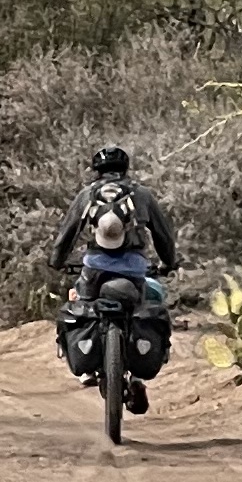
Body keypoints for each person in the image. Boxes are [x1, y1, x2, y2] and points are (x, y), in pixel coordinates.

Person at [51, 142, 176, 412]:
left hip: (94, 268)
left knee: (83, 307)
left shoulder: (87, 194)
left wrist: (57, 262)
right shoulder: (141, 194)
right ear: (125, 168)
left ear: (96, 170)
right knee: (142, 310)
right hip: (134, 269)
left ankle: (86, 368)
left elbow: (69, 232)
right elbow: (162, 234)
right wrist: (169, 262)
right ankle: (139, 376)